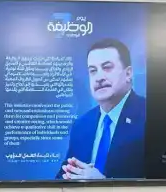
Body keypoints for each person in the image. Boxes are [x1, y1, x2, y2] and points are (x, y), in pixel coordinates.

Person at [57, 38, 146, 180]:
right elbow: (62, 179)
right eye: (93, 71)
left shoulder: (151, 117)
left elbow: (164, 182)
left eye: (107, 67)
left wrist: (104, 183)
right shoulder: (81, 125)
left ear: (128, 74)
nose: (99, 77)